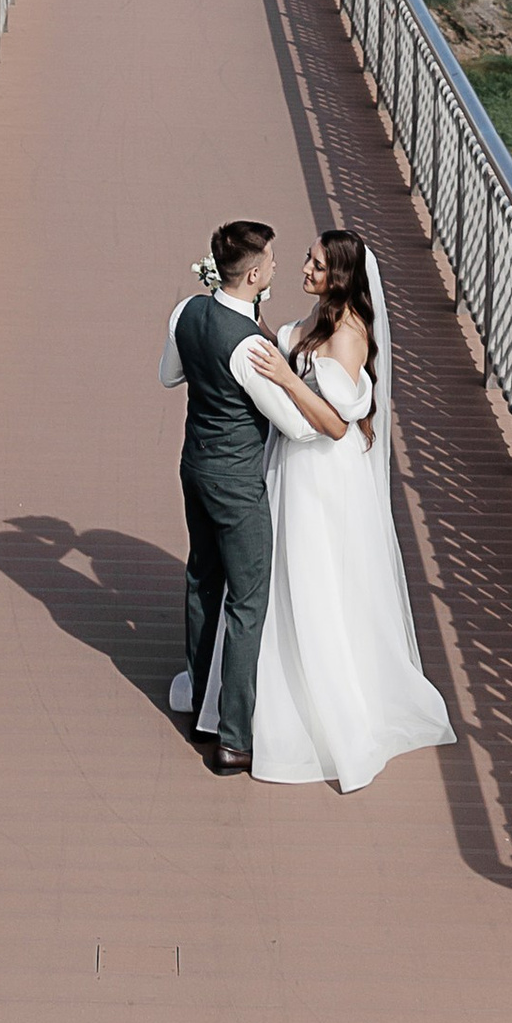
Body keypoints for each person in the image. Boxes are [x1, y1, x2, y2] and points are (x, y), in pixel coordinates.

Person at [202, 227, 456, 793]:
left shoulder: (348, 334)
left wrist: (288, 378)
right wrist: (239, 306)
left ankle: (317, 706)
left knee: (313, 583)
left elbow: (337, 425)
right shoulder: (319, 318)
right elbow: (279, 345)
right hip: (290, 467)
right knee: (281, 580)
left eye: (315, 263)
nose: (304, 266)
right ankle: (262, 695)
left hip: (319, 477)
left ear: (339, 275)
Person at [159, 219, 344, 771]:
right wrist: (289, 378)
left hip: (194, 466)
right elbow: (300, 427)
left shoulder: (186, 311)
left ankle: (198, 702)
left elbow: (170, 376)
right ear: (257, 273)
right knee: (247, 601)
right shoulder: (251, 349)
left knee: (201, 577)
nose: (280, 267)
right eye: (273, 260)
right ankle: (234, 737)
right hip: (237, 486)